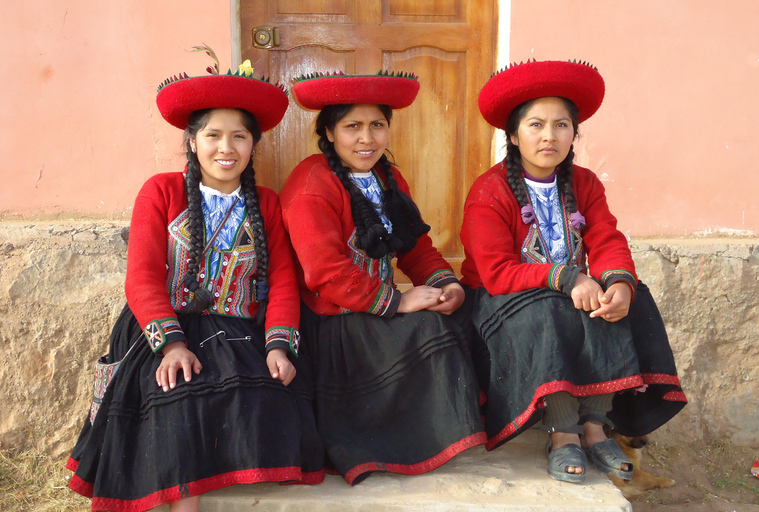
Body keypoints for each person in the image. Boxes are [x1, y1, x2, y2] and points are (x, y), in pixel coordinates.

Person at [67, 51, 323, 511]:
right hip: (167, 326)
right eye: (213, 136)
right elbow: (142, 277)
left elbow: (283, 280)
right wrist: (171, 345)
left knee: (268, 389)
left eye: (239, 137)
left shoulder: (265, 202)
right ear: (191, 140)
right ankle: (186, 503)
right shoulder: (161, 191)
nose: (226, 149)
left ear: (253, 144)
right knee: (178, 390)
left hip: (239, 328)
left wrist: (278, 345)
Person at [460, 59, 686, 483]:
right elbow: (495, 272)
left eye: (562, 125)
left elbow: (605, 239)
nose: (550, 136)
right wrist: (566, 278)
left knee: (622, 299)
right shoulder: (489, 191)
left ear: (574, 134)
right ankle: (563, 432)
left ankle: (596, 425)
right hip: (499, 304)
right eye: (535, 125)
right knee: (554, 309)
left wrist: (617, 280)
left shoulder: (585, 184)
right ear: (512, 134)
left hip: (569, 291)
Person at [279, 71, 486, 485]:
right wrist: (398, 302)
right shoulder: (311, 183)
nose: (366, 139)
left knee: (462, 316)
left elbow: (413, 245)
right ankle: (389, 443)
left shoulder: (387, 178)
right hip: (333, 323)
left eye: (377, 125)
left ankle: (426, 436)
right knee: (426, 329)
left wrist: (446, 284)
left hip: (372, 311)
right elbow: (324, 272)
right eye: (352, 127)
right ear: (329, 133)